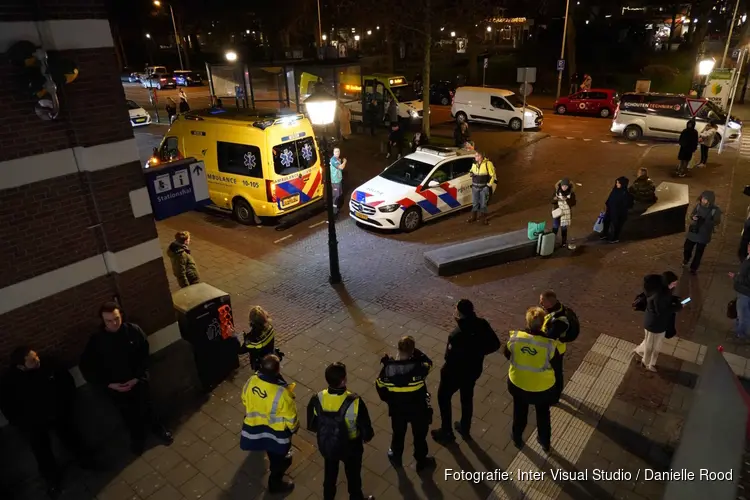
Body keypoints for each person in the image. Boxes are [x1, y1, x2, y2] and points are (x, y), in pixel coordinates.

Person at [79, 302, 173, 455]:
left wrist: (138, 377)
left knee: (148, 407)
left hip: (138, 382)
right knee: (128, 415)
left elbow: (144, 354)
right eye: (109, 321)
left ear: (121, 315)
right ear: (103, 321)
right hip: (117, 388)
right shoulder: (97, 341)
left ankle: (158, 429)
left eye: (116, 318)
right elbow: (87, 367)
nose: (114, 323)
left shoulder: (133, 331)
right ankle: (137, 438)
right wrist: (109, 384)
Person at [0, 347, 94, 495]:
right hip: (34, 424)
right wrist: (24, 424)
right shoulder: (10, 381)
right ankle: (53, 480)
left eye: (36, 356)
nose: (37, 360)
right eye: (31, 360)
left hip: (58, 414)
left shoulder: (48, 364)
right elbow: (9, 408)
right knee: (43, 453)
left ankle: (87, 461)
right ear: (20, 366)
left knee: (72, 437)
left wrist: (65, 405)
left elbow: (66, 381)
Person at [431, 299, 500, 443]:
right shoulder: (482, 324)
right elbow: (495, 344)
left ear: (459, 313)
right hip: (473, 370)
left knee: (443, 397)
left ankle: (446, 431)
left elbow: (448, 358)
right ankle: (465, 426)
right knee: (467, 397)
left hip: (455, 373)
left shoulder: (456, 334)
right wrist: (480, 352)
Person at [307, 362, 375, 500]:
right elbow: (366, 428)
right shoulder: (355, 401)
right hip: (351, 445)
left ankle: (328, 497)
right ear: (343, 380)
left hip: (329, 442)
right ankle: (356, 497)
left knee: (330, 473)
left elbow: (312, 424)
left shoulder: (317, 398)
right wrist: (366, 437)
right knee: (353, 474)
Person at [375, 336, 436, 471]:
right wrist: (417, 353)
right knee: (419, 435)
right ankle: (421, 460)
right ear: (412, 350)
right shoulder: (420, 368)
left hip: (398, 410)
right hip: (418, 408)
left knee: (398, 433)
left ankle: (396, 456)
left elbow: (380, 386)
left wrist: (390, 400)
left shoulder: (388, 370)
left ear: (398, 349)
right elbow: (429, 363)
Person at [240, 354, 297, 493]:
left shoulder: (251, 381)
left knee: (271, 452)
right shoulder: (281, 393)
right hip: (276, 433)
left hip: (257, 429)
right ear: (277, 370)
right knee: (280, 460)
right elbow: (291, 419)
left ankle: (276, 466)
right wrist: (293, 429)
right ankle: (275, 484)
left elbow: (244, 399)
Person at [505, 306, 560, 452]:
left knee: (519, 412)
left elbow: (507, 354)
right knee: (543, 414)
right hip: (542, 388)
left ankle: (517, 437)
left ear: (527, 321)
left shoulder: (515, 338)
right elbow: (556, 366)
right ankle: (544, 442)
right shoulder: (549, 345)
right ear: (543, 323)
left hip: (518, 384)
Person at [539, 291, 579, 404]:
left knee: (556, 372)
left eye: (542, 301)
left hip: (555, 350)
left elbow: (549, 336)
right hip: (555, 348)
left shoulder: (559, 321)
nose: (540, 303)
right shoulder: (557, 309)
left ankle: (556, 396)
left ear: (549, 303)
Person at [635, 276, 683, 371]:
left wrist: (675, 302)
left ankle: (644, 356)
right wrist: (678, 307)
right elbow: (662, 311)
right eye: (674, 283)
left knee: (654, 344)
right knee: (651, 346)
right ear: (667, 283)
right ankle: (646, 362)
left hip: (659, 324)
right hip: (654, 325)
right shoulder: (659, 296)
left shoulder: (664, 293)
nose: (675, 285)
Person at [684, 191, 721, 274]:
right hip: (693, 232)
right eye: (702, 198)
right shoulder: (698, 206)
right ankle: (686, 258)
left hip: (704, 234)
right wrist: (693, 217)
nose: (703, 201)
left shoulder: (715, 210)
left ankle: (693, 268)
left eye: (705, 199)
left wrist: (706, 221)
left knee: (699, 252)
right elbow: (692, 214)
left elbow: (717, 221)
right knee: (687, 247)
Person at [239, 306, 277, 371]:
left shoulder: (252, 338)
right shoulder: (270, 327)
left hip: (260, 365)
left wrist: (235, 337)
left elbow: (240, 350)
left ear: (251, 321)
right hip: (270, 359)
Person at [467, 150, 496, 225]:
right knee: (475, 203)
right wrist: (471, 173)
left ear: (480, 157)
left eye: (476, 155)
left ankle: (484, 219)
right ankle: (474, 217)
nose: (475, 157)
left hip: (484, 188)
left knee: (483, 204)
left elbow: (492, 175)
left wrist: (488, 185)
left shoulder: (488, 164)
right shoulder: (474, 163)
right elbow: (471, 170)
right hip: (475, 187)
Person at [601, 176, 633, 243]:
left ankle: (615, 238)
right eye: (617, 183)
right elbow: (610, 198)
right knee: (606, 221)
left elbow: (627, 205)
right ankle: (605, 234)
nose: (617, 184)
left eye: (618, 183)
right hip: (611, 210)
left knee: (616, 225)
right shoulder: (615, 190)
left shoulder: (625, 194)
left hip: (618, 213)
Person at [731, 242, 750, 339]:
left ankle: (742, 334)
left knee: (743, 315)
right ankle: (739, 330)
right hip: (743, 291)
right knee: (741, 313)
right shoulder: (748, 258)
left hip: (745, 293)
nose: (748, 247)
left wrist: (736, 277)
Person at [551, 178, 576, 249]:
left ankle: (564, 242)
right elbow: (551, 201)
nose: (564, 187)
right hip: (557, 212)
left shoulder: (571, 193)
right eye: (563, 186)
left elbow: (574, 203)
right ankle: (552, 241)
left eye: (566, 186)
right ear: (560, 186)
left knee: (564, 228)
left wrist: (567, 199)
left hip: (565, 214)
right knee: (555, 227)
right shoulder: (556, 191)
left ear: (568, 186)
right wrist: (556, 199)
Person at [330, 147, 347, 215]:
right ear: (333, 153)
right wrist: (345, 161)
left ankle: (336, 209)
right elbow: (341, 167)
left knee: (339, 195)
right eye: (336, 151)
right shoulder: (333, 160)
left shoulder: (338, 159)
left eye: (338, 151)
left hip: (338, 180)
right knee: (336, 196)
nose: (338, 153)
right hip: (335, 181)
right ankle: (334, 212)